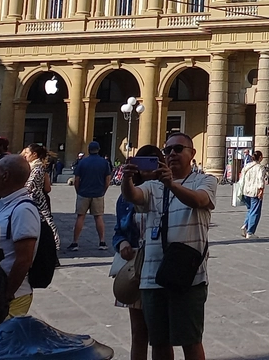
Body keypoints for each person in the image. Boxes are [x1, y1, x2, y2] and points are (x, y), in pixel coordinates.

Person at [120, 131, 217, 360]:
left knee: (190, 341)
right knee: (159, 342)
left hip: (187, 276)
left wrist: (171, 184)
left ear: (192, 153)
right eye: (168, 150)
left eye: (178, 149)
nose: (172, 153)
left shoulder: (205, 180)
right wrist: (126, 179)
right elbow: (133, 196)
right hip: (152, 276)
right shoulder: (153, 186)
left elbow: (199, 200)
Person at [113, 144, 163, 360]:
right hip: (136, 270)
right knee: (138, 333)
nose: (148, 168)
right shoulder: (127, 197)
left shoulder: (169, 191)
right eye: (144, 163)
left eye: (154, 162)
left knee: (161, 335)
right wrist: (122, 243)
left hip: (161, 268)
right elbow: (118, 231)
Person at [0, 153, 40, 317]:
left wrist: (8, 293)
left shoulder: (23, 210)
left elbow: (24, 259)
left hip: (14, 296)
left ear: (5, 176)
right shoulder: (4, 205)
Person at [70, 140, 113, 251]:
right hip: (98, 193)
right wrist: (103, 190)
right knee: (98, 217)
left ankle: (75, 242)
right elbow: (107, 179)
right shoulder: (104, 163)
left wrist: (78, 191)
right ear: (98, 150)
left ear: (88, 150)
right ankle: (102, 241)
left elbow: (77, 179)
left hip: (83, 192)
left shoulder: (82, 162)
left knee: (80, 217)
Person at [23, 142, 60, 251]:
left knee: (46, 223)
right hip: (34, 199)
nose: (25, 155)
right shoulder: (33, 167)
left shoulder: (37, 168)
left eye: (27, 153)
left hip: (36, 200)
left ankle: (52, 246)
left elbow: (29, 186)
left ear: (34, 154)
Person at [237, 149, 269, 239]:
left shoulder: (247, 166)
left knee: (250, 210)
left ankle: (245, 226)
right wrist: (261, 190)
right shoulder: (260, 167)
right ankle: (250, 232)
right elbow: (260, 179)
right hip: (255, 191)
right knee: (255, 211)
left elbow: (242, 177)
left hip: (245, 191)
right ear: (260, 157)